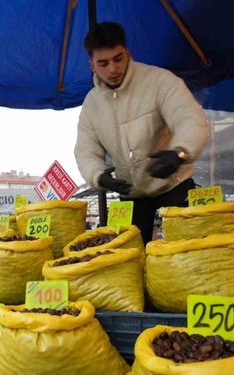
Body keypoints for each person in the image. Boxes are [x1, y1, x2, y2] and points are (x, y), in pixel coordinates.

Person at [74, 22, 209, 244]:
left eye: (118, 59)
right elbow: (85, 150)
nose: (113, 69)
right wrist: (98, 176)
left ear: (128, 53)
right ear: (92, 66)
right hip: (131, 195)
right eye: (103, 63)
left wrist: (180, 153)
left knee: (189, 254)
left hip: (175, 187)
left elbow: (190, 118)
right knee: (128, 260)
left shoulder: (160, 81)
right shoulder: (91, 104)